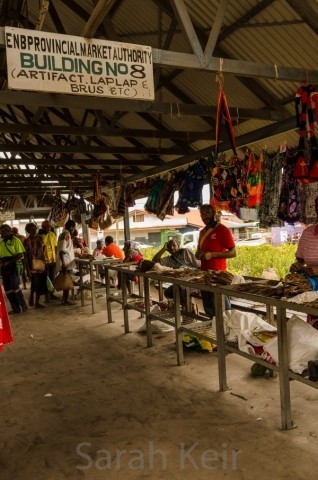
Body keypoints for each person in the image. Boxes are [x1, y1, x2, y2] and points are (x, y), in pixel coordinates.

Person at [195, 204, 236, 318]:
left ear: (214, 213)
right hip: (205, 276)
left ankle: (228, 332)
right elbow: (199, 251)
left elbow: (233, 253)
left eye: (207, 213)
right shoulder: (202, 232)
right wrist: (198, 254)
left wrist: (213, 255)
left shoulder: (223, 230)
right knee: (209, 310)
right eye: (202, 214)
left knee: (224, 311)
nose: (204, 216)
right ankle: (214, 332)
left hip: (219, 276)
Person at [152, 239, 200, 305]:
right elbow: (154, 260)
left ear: (178, 245)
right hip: (180, 283)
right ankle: (184, 309)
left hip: (193, 282)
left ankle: (188, 311)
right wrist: (163, 249)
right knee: (167, 293)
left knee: (182, 292)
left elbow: (197, 265)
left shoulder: (185, 252)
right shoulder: (170, 259)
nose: (172, 247)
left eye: (174, 245)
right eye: (169, 246)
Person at [0, 224, 28, 314]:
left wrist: (9, 262)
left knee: (15, 286)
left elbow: (21, 255)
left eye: (2, 232)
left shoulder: (16, 240)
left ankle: (23, 304)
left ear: (8, 231)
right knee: (7, 288)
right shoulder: (2, 242)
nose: (1, 234)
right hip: (4, 266)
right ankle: (15, 308)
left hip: (13, 265)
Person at [290, 197, 318, 275]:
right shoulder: (308, 232)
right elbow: (300, 259)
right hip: (311, 283)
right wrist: (297, 265)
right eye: (317, 207)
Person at [23, 222, 48, 309]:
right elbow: (25, 257)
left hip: (40, 264)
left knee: (39, 284)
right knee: (35, 283)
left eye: (34, 228)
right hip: (31, 265)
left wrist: (45, 263)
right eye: (31, 229)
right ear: (28, 231)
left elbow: (42, 252)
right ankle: (32, 298)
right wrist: (27, 269)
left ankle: (36, 301)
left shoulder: (40, 238)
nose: (34, 230)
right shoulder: (26, 241)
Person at [56, 219, 77, 306]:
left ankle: (65, 299)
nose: (74, 230)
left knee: (66, 281)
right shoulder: (66, 234)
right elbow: (62, 250)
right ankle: (65, 300)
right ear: (71, 227)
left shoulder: (63, 234)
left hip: (66, 261)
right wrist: (64, 263)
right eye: (74, 228)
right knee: (67, 281)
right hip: (66, 261)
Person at [41, 220, 58, 301]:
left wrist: (57, 258)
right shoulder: (40, 236)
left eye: (48, 227)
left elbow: (55, 246)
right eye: (45, 228)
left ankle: (51, 294)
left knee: (52, 278)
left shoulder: (52, 235)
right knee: (46, 279)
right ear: (42, 227)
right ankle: (46, 296)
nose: (47, 229)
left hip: (53, 260)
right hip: (45, 261)